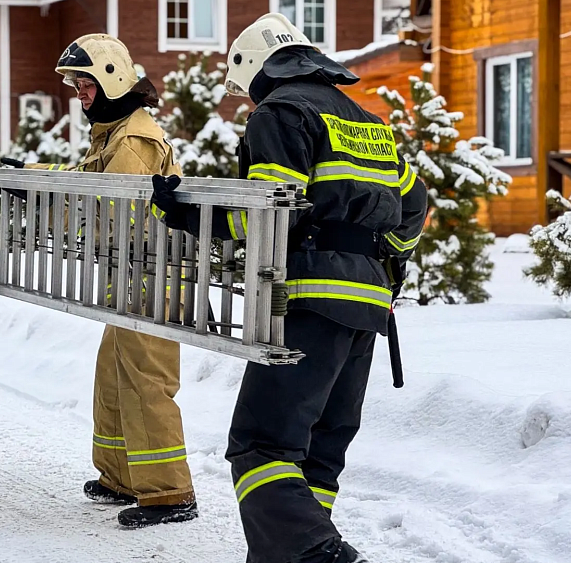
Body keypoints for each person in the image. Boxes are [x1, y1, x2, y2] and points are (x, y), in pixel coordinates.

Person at [150, 13, 428, 562]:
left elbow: (268, 215)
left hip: (310, 296)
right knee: (318, 454)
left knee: (261, 445)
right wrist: (377, 264)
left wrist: (189, 215)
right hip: (368, 306)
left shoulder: (279, 114)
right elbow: (413, 208)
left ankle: (318, 554)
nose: (247, 102)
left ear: (258, 70)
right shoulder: (369, 123)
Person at [4, 34, 197, 528]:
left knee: (145, 384)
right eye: (76, 83)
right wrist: (36, 179)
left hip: (153, 280)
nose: (80, 92)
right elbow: (85, 182)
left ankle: (169, 494)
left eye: (86, 82)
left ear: (111, 80)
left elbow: (106, 214)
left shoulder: (131, 139)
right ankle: (120, 477)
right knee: (113, 378)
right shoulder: (113, 133)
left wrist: (42, 196)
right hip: (132, 280)